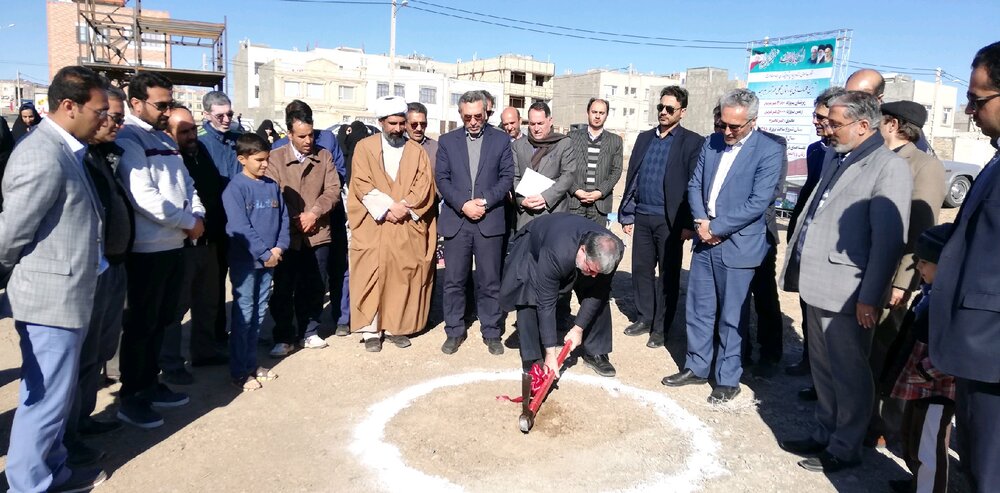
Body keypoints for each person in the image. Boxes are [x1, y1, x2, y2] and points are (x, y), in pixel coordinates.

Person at [778, 90, 912, 473]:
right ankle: (824, 432)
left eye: (836, 123)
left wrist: (870, 296)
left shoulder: (888, 168)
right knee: (823, 369)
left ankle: (845, 446)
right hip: (818, 284)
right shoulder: (839, 156)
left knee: (849, 373)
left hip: (850, 294)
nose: (829, 129)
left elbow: (888, 243)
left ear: (863, 125)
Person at [0, 65, 110, 493]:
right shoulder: (40, 154)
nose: (104, 119)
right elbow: (9, 236)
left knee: (57, 398)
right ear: (69, 106)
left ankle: (54, 470)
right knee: (44, 402)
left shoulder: (66, 149)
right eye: (98, 111)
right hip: (50, 300)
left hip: (68, 296)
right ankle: (28, 485)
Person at [662, 89, 782, 403]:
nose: (726, 131)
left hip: (738, 245)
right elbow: (695, 184)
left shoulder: (768, 151)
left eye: (735, 127)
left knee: (732, 315)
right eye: (724, 124)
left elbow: (758, 202)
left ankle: (728, 378)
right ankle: (697, 367)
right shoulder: (712, 142)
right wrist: (703, 222)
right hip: (705, 240)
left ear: (753, 122)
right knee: (699, 309)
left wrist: (716, 227)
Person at [928, 41, 1000, 493]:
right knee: (974, 460)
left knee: (989, 470)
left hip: (992, 349)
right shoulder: (996, 157)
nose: (968, 109)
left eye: (976, 98)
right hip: (980, 350)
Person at [116, 71, 202, 429]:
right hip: (147, 250)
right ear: (136, 103)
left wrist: (197, 214)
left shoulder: (164, 140)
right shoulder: (128, 138)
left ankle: (151, 385)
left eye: (169, 103)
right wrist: (186, 221)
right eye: (161, 104)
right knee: (141, 325)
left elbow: (187, 184)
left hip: (174, 244)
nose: (168, 111)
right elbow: (144, 197)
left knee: (162, 321)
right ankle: (131, 396)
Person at [63, 84, 133, 468]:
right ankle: (65, 437)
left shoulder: (110, 155)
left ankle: (81, 421)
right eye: (110, 115)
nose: (115, 124)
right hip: (85, 273)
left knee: (96, 356)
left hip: (113, 264)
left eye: (120, 117)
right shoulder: (75, 157)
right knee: (75, 361)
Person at [870, 100, 946, 448]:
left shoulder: (924, 165)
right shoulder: (874, 157)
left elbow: (922, 229)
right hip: (865, 271)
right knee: (864, 351)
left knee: (887, 352)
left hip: (892, 278)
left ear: (893, 123)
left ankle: (885, 425)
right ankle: (858, 413)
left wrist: (903, 281)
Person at [348, 96, 437, 352]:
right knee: (371, 275)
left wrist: (404, 206)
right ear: (381, 122)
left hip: (404, 225)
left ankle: (398, 327)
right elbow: (361, 183)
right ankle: (371, 331)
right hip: (374, 225)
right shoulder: (365, 148)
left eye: (401, 123)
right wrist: (388, 207)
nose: (398, 129)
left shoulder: (416, 151)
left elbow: (424, 186)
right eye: (393, 123)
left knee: (401, 276)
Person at [618, 86, 704, 348]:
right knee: (641, 271)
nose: (664, 112)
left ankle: (661, 327)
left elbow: (694, 184)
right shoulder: (645, 138)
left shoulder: (692, 142)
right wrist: (628, 214)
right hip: (643, 216)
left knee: (668, 275)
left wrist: (689, 224)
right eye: (661, 107)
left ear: (683, 111)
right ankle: (644, 318)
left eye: (670, 109)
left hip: (671, 221)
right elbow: (633, 177)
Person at [435, 90, 515, 355]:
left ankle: (491, 331)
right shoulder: (447, 142)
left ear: (486, 113)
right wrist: (463, 205)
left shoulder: (501, 140)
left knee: (490, 280)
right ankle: (454, 331)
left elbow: (506, 178)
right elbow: (442, 179)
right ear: (460, 114)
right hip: (457, 222)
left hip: (488, 220)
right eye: (467, 116)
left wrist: (483, 202)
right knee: (454, 281)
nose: (472, 121)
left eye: (477, 116)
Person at [500, 213, 625, 377]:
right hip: (537, 246)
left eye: (598, 271)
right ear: (582, 250)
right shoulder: (556, 253)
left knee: (598, 294)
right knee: (529, 296)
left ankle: (596, 352)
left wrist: (578, 328)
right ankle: (534, 358)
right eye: (591, 269)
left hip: (575, 249)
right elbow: (546, 302)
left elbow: (598, 291)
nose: (594, 274)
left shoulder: (614, 251)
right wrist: (551, 354)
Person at [158, 106, 230, 385]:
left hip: (209, 239)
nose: (191, 136)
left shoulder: (201, 154)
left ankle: (204, 351)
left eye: (192, 130)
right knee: (176, 308)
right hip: (182, 243)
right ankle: (171, 363)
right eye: (183, 131)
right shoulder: (168, 158)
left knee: (209, 300)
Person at [883, 224, 954, 493]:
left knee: (931, 445)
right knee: (911, 436)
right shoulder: (927, 294)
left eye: (925, 263)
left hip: (937, 389)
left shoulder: (948, 302)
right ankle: (917, 483)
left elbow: (951, 350)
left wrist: (925, 371)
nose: (920, 269)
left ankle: (929, 488)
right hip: (919, 386)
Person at [265, 107, 341, 357]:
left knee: (315, 284)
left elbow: (333, 190)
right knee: (284, 286)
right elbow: (272, 192)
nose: (308, 141)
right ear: (289, 134)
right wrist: (295, 218)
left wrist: (314, 213)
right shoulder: (274, 159)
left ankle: (309, 331)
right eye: (301, 136)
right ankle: (284, 335)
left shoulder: (325, 156)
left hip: (318, 232)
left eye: (311, 135)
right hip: (286, 234)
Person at [786, 87, 847, 381]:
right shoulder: (815, 150)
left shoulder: (849, 156)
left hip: (832, 249)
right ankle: (810, 361)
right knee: (806, 304)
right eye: (815, 115)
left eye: (822, 117)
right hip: (805, 242)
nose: (816, 122)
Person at [223, 133, 289, 391]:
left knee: (259, 314)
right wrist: (265, 253)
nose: (265, 164)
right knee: (244, 315)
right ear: (242, 159)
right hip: (246, 264)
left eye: (267, 159)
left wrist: (279, 248)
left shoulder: (272, 186)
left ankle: (251, 364)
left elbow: (283, 219)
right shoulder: (235, 189)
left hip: (269, 262)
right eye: (259, 160)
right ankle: (239, 371)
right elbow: (240, 226)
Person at [846, 69, 934, 154]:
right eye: (847, 95)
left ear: (878, 99)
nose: (851, 102)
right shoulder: (839, 121)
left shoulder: (892, 125)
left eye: (860, 97)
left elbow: (913, 161)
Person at [567, 98, 623, 226]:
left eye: (601, 113)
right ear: (588, 112)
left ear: (606, 115)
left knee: (596, 243)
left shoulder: (615, 141)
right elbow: (565, 168)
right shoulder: (572, 137)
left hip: (600, 205)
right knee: (573, 241)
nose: (597, 116)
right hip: (575, 203)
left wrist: (600, 192)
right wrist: (576, 191)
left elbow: (616, 171)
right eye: (594, 112)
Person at [197, 90, 241, 180]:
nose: (227, 120)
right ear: (207, 115)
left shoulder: (239, 138)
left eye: (229, 114)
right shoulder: (198, 141)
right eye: (220, 116)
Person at [407, 101, 438, 166]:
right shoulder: (397, 147)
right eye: (414, 124)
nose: (419, 128)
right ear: (405, 124)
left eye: (423, 124)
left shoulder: (437, 148)